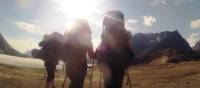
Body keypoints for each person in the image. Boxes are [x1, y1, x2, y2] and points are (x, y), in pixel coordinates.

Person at [95, 10, 134, 88]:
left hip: (107, 65)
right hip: (119, 66)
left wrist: (100, 58)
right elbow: (130, 52)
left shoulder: (105, 34)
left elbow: (102, 49)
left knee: (108, 85)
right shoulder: (124, 34)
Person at [63, 19, 94, 88]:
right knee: (77, 85)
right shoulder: (86, 36)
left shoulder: (69, 33)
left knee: (74, 84)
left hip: (69, 66)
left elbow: (64, 47)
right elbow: (91, 55)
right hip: (80, 67)